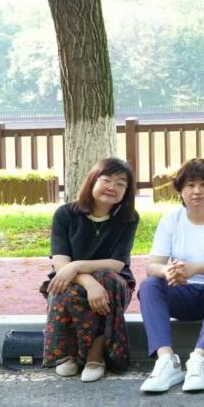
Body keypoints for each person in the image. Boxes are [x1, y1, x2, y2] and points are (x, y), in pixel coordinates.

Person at [138, 159, 204, 393]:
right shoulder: (171, 220)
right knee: (150, 285)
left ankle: (198, 358)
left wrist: (195, 268)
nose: (197, 191)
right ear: (180, 190)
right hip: (184, 293)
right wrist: (167, 270)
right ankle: (166, 361)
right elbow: (152, 266)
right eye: (190, 185)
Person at [42, 158, 139, 382]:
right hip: (74, 281)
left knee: (108, 277)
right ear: (92, 181)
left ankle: (96, 355)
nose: (112, 187)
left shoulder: (128, 218)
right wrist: (88, 282)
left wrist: (77, 266)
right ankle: (66, 355)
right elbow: (60, 263)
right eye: (106, 180)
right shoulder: (65, 214)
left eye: (120, 184)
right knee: (64, 287)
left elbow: (117, 264)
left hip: (114, 286)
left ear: (127, 191)